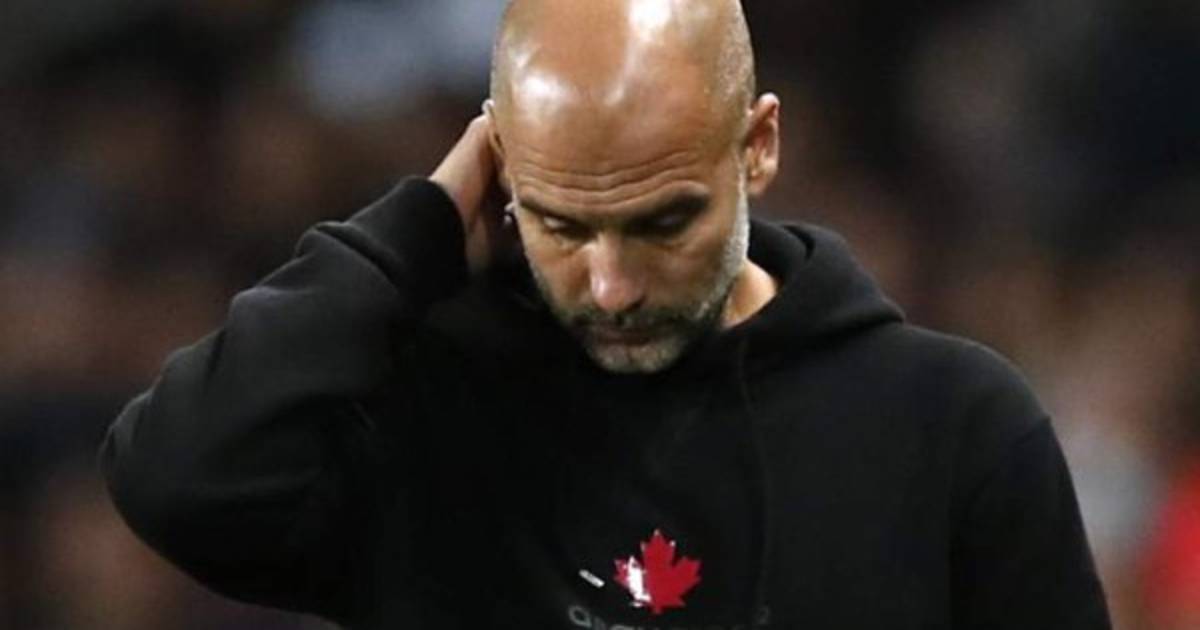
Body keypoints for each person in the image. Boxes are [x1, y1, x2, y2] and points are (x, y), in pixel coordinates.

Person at [100, 1, 1112, 628]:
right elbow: (176, 480)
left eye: (662, 222)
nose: (612, 286)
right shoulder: (431, 407)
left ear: (758, 146)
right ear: (501, 173)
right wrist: (413, 231)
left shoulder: (949, 424)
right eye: (562, 225)